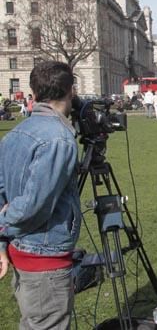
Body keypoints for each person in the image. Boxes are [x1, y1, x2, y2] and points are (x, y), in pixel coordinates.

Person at [0, 61, 80, 329]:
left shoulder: (15, 134)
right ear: (70, 90)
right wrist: (7, 215)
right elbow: (35, 204)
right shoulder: (58, 139)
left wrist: (2, 243)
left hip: (22, 251)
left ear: (34, 92)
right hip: (43, 256)